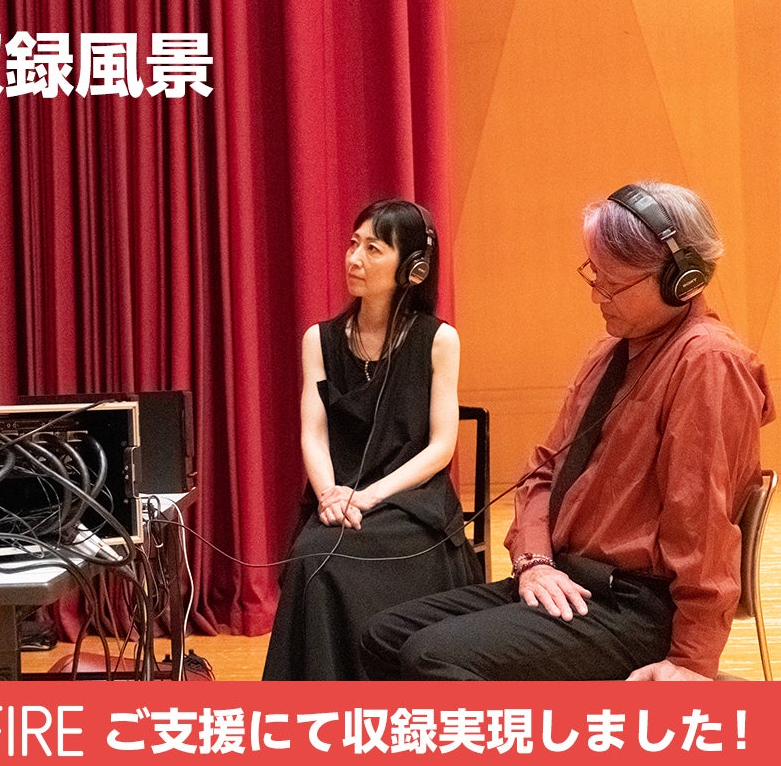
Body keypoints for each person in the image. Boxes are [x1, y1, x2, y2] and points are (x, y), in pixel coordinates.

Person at [359, 181, 775, 681]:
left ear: (679, 280)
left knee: (431, 656)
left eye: (612, 284)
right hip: (570, 579)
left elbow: (703, 523)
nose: (596, 294)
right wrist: (534, 560)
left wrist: (691, 660)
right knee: (383, 635)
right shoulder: (609, 353)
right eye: (594, 274)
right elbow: (544, 470)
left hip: (635, 607)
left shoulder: (708, 364)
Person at [262, 199, 483, 680]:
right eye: (353, 244)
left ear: (413, 269)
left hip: (411, 502)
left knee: (345, 558)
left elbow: (440, 447)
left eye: (374, 249)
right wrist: (329, 495)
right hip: (338, 498)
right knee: (312, 558)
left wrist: (369, 496)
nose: (354, 258)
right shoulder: (319, 340)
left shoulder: (439, 340)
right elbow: (313, 432)